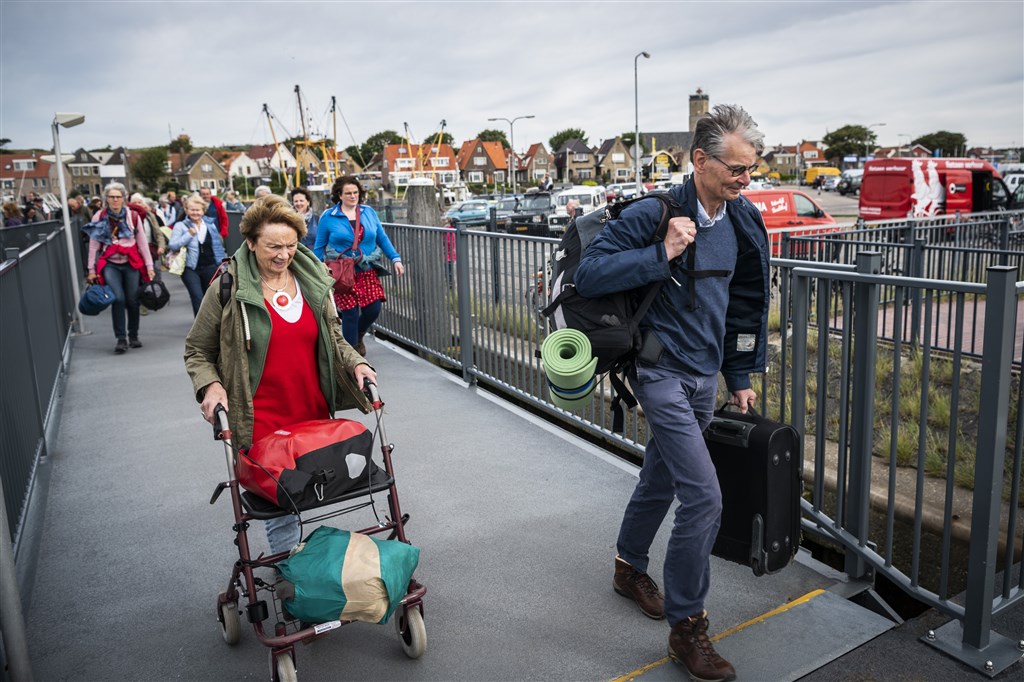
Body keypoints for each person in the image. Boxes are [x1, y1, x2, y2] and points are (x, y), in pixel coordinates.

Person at [574, 104, 770, 682]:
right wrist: (661, 253)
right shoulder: (655, 213)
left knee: (662, 475)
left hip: (705, 378)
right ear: (700, 160)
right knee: (704, 498)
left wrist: (738, 375)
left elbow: (744, 304)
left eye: (752, 169)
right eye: (736, 168)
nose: (745, 178)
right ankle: (689, 628)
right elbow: (590, 276)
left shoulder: (742, 219)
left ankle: (627, 565)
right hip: (658, 372)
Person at [183, 194, 377, 554]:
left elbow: (335, 339)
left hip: (311, 410)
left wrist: (358, 363)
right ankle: (290, 584)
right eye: (273, 246)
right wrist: (209, 385)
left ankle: (313, 579)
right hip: (259, 416)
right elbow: (197, 349)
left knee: (315, 493)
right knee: (283, 508)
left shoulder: (313, 279)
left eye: (290, 245)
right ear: (251, 242)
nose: (283, 255)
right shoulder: (228, 286)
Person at [314, 175, 405, 355]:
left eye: (355, 192)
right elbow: (319, 246)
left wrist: (395, 258)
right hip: (343, 273)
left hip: (366, 269)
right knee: (350, 314)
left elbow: (381, 238)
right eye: (348, 193)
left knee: (373, 308)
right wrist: (315, 271)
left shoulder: (368, 212)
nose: (352, 196)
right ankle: (353, 355)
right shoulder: (329, 217)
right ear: (339, 195)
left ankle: (358, 334)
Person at [84, 181, 156, 354]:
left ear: (123, 198)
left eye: (118, 197)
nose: (115, 200)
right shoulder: (99, 217)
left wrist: (149, 266)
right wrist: (91, 270)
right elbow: (94, 245)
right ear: (106, 199)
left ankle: (133, 335)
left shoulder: (133, 217)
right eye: (111, 197)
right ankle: (121, 338)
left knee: (132, 299)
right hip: (110, 264)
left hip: (131, 263)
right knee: (118, 298)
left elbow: (142, 244)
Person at [169, 193, 227, 316]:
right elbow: (173, 245)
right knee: (197, 298)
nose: (195, 212)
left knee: (211, 300)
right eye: (192, 210)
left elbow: (217, 246)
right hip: (190, 268)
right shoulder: (180, 226)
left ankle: (211, 329)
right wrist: (188, 235)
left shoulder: (210, 225)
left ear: (203, 210)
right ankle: (200, 332)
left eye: (198, 210)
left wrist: (222, 266)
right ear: (186, 210)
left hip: (210, 266)